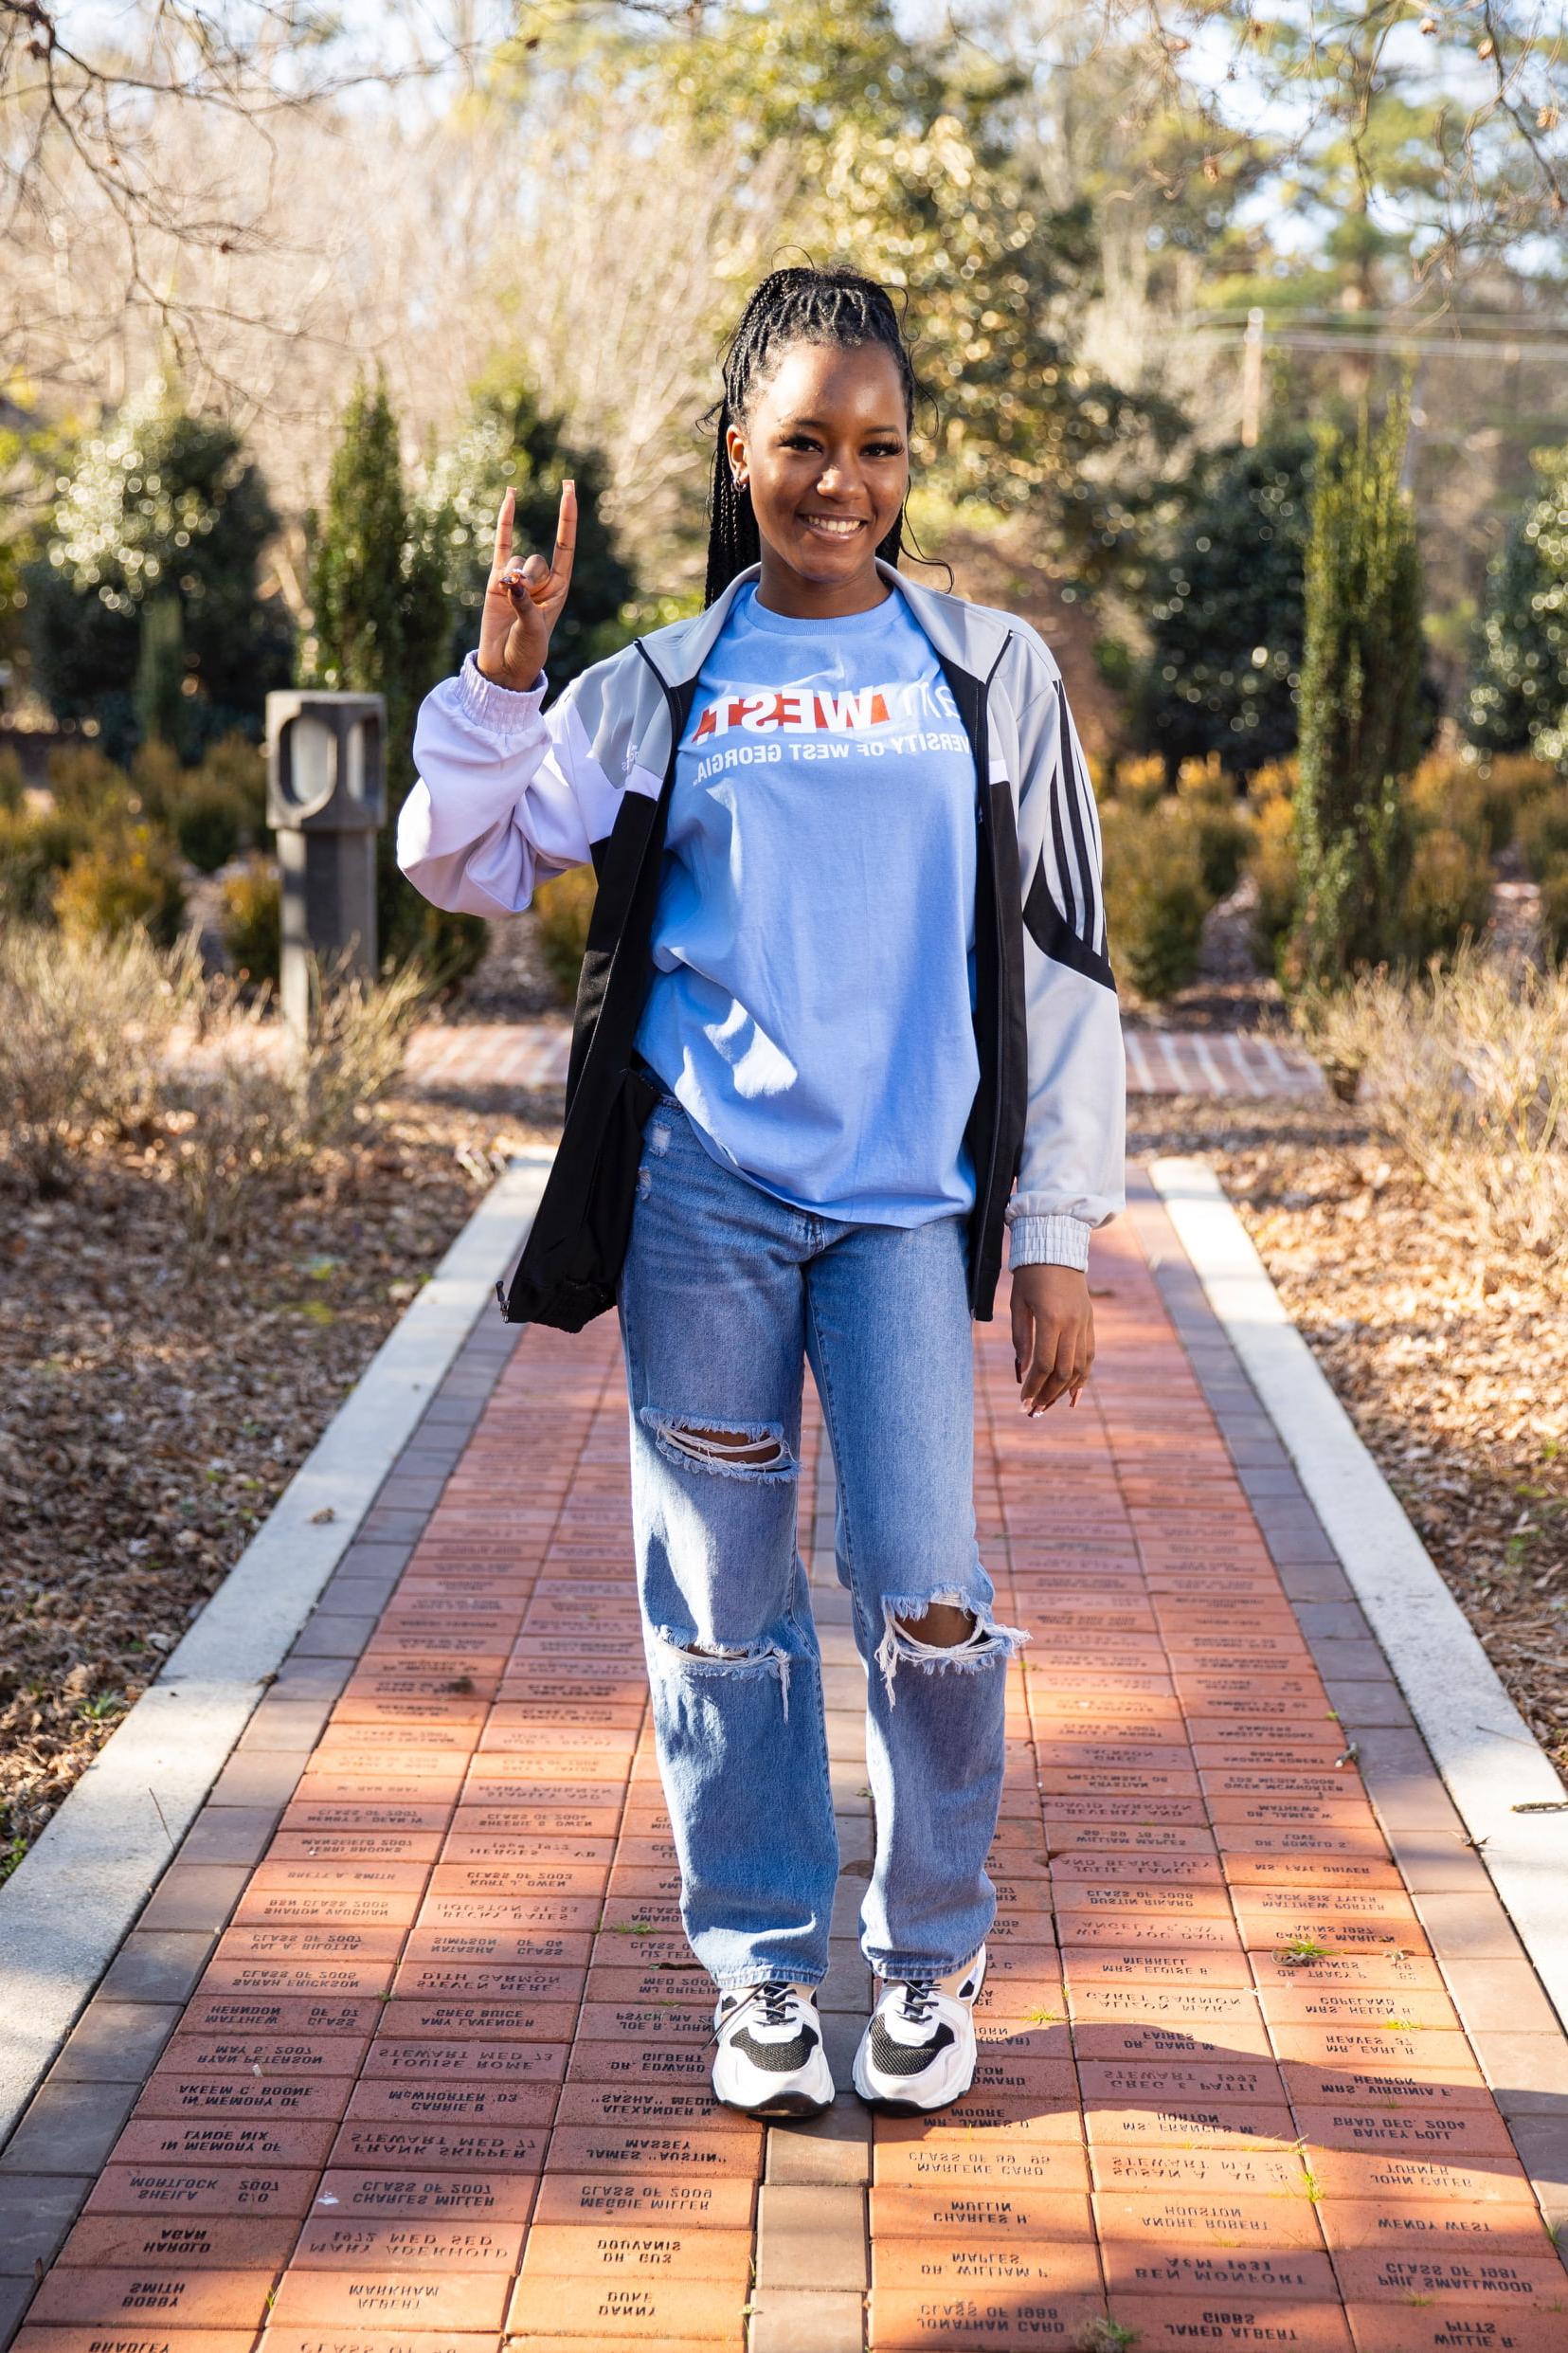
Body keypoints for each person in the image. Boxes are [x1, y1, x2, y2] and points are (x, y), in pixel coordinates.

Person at [397, 264, 1126, 2121]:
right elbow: (461, 859)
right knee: (722, 1606)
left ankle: (935, 1949)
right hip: (705, 1208)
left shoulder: (987, 672)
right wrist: (501, 679)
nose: (841, 483)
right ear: (743, 453)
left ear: (907, 463)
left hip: (899, 1212)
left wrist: (1053, 1238)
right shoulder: (662, 685)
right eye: (803, 443)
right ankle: (760, 1970)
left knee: (929, 1592)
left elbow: (1062, 966)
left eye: (877, 448)